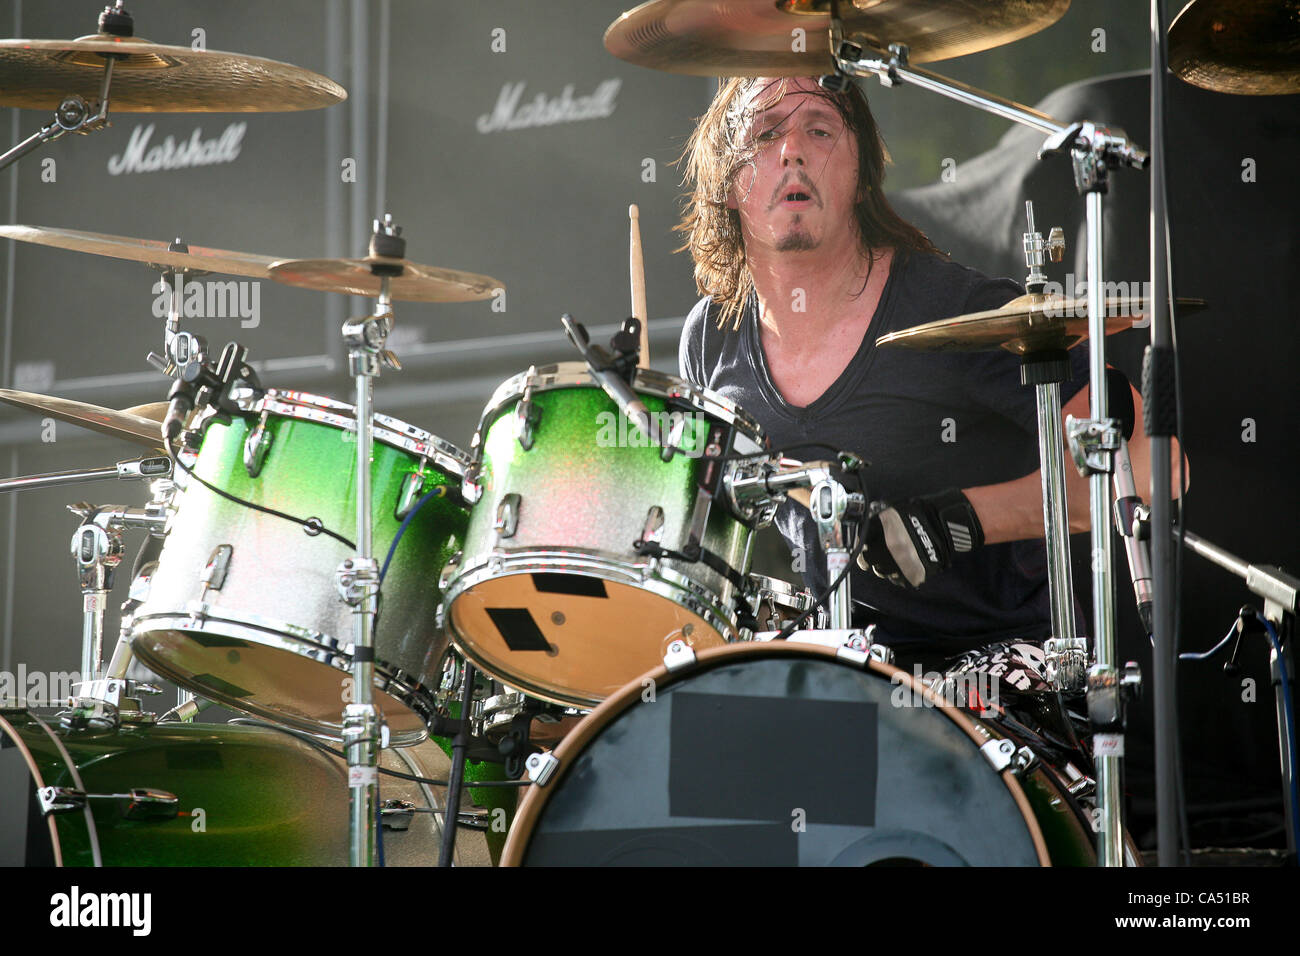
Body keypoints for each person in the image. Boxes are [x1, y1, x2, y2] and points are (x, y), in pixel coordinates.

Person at [675, 76, 1183, 666]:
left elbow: (1155, 466)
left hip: (999, 687)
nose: (793, 149)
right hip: (845, 673)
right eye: (765, 132)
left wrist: (959, 520)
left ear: (860, 174)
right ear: (728, 181)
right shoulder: (712, 338)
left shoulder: (950, 309)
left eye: (819, 129)